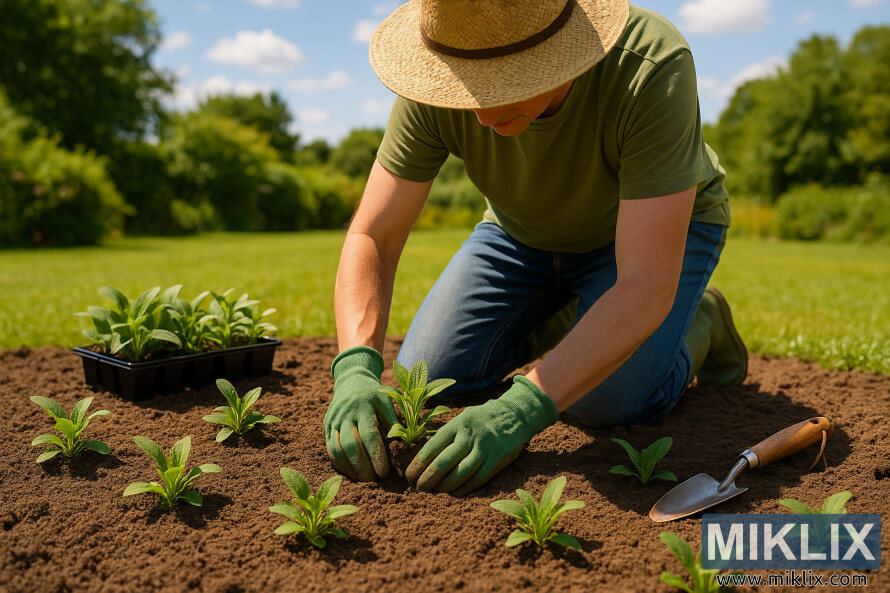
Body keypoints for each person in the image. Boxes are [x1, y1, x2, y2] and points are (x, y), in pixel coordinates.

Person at [323, 0, 748, 495]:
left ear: (562, 51)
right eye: (468, 89)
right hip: (519, 233)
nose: (480, 115)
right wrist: (354, 368)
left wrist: (522, 409)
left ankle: (702, 322)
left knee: (603, 401)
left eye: (505, 84)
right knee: (430, 377)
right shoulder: (442, 72)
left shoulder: (650, 64)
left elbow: (646, 283)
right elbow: (373, 233)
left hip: (647, 240)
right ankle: (578, 322)